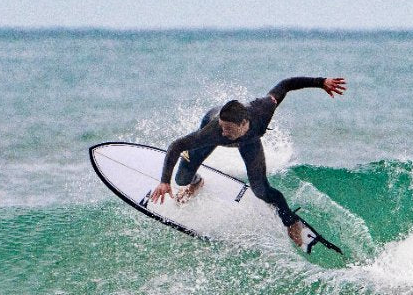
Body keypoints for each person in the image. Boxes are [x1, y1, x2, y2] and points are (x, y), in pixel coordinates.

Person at [149, 76, 347, 246]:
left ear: (244, 124)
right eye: (222, 128)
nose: (224, 133)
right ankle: (196, 182)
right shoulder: (212, 132)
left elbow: (285, 84)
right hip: (211, 130)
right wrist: (165, 181)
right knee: (182, 179)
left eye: (228, 129)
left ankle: (291, 221)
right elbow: (176, 146)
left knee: (261, 190)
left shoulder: (263, 108)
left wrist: (321, 82)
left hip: (250, 142)